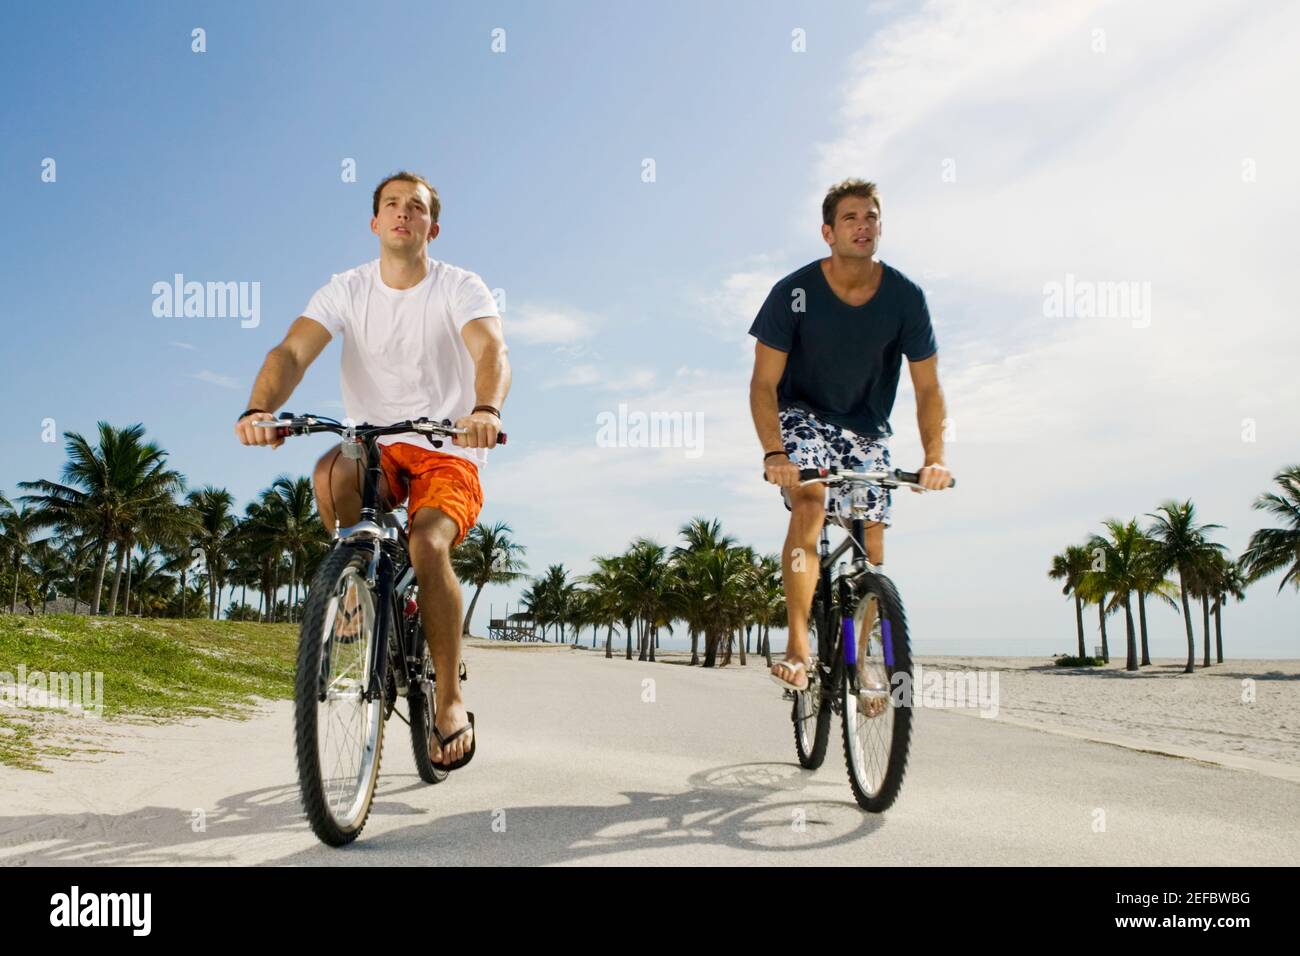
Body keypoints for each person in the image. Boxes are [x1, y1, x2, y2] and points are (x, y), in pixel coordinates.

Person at [235, 171, 510, 768]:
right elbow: (291, 352)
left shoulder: (459, 286)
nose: (402, 214)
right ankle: (356, 593)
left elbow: (491, 350)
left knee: (427, 545)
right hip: (375, 445)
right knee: (329, 474)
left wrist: (484, 409)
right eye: (391, 205)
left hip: (447, 446)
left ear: (432, 226)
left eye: (416, 207)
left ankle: (449, 702)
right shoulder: (347, 289)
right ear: (375, 222)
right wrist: (262, 407)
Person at [748, 178, 952, 691]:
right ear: (828, 232)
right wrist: (775, 451)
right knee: (811, 503)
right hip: (801, 415)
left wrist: (934, 456)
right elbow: (763, 382)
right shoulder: (794, 293)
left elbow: (927, 388)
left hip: (865, 428)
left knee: (871, 544)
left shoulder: (905, 297)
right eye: (850, 219)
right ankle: (798, 650)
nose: (863, 226)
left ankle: (863, 665)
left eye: (871, 217)